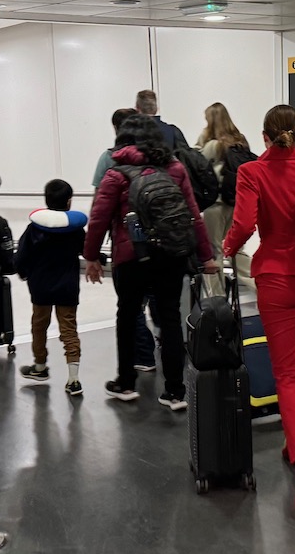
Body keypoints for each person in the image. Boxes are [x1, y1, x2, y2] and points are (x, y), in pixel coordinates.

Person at [223, 105, 295, 516]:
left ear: (264, 136)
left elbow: (243, 225)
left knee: (286, 372)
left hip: (276, 280)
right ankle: (294, 439)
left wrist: (224, 250)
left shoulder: (251, 173)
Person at [84, 115, 217, 409]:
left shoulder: (115, 174)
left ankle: (126, 383)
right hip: (171, 254)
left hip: (131, 257)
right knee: (170, 317)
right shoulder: (175, 169)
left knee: (128, 315)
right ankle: (175, 391)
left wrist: (91, 257)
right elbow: (194, 216)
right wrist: (206, 257)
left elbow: (98, 220)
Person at [94, 107, 158, 372]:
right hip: (159, 242)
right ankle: (166, 347)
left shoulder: (109, 159)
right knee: (156, 299)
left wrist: (92, 252)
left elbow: (100, 206)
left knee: (130, 304)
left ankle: (142, 356)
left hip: (126, 243)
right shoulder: (159, 158)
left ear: (115, 130)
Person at [14, 179, 87, 397]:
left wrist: (22, 272)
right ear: (69, 202)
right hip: (67, 287)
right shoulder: (75, 230)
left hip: (41, 287)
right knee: (69, 330)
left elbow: (21, 256)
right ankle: (73, 379)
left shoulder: (34, 229)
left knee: (39, 326)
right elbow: (87, 250)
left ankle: (39, 367)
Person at [196, 102, 251, 259]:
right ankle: (248, 283)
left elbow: (196, 160)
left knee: (214, 251)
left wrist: (203, 136)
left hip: (216, 204)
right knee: (237, 249)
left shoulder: (213, 145)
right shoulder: (241, 141)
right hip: (236, 202)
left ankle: (217, 285)